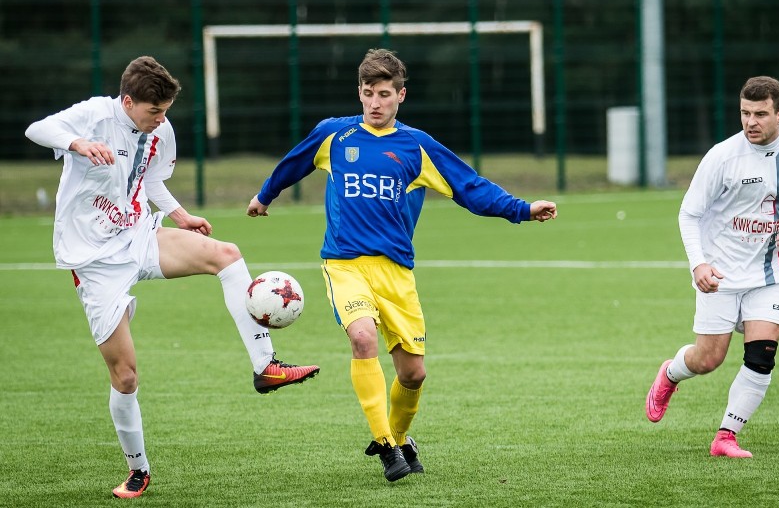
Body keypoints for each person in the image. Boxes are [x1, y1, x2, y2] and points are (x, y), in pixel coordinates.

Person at [247, 48, 558, 481]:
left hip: (396, 272)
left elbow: (469, 186)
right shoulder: (334, 136)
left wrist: (522, 209)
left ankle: (398, 436)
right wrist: (265, 195)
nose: (376, 102)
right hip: (345, 264)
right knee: (362, 339)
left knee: (413, 374)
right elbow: (292, 163)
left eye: (385, 94)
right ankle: (389, 449)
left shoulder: (416, 146)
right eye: (369, 93)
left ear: (401, 96)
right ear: (359, 92)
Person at [25, 56, 320, 499]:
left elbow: (151, 180)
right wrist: (78, 144)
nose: (161, 119)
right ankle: (138, 470)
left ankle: (266, 367)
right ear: (127, 101)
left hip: (137, 235)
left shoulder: (160, 129)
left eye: (165, 111)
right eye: (153, 112)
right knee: (125, 377)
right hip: (92, 260)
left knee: (227, 255)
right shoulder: (94, 115)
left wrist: (181, 216)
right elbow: (37, 129)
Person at [645, 76, 779, 457]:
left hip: (772, 273)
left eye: (761, 114)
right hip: (722, 274)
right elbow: (689, 213)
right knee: (708, 359)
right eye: (745, 113)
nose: (751, 121)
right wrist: (698, 265)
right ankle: (670, 373)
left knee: (762, 354)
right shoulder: (722, 156)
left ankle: (726, 436)